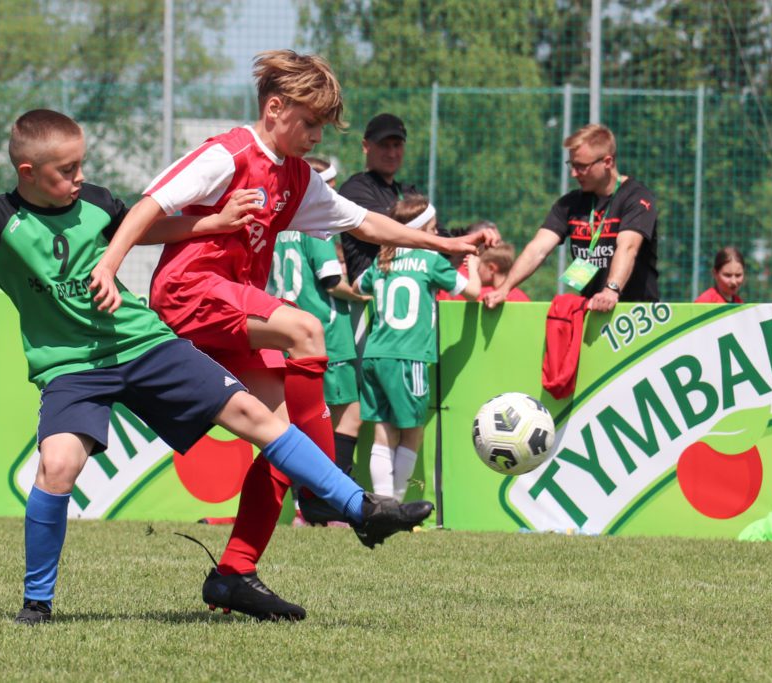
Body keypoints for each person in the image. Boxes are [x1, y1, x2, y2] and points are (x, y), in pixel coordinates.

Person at [0, 109, 435, 625]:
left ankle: (359, 508)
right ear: (28, 172)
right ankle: (36, 605)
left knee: (254, 416)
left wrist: (211, 222)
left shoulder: (95, 203)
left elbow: (147, 228)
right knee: (57, 466)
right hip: (72, 369)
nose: (80, 177)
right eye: (66, 169)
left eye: (81, 165)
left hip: (143, 345)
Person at [89, 52, 497, 619]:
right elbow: (148, 209)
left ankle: (235, 572)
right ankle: (330, 491)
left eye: (322, 127)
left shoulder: (297, 177)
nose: (315, 136)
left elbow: (363, 222)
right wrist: (109, 266)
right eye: (309, 123)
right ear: (275, 108)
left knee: (285, 444)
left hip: (231, 309)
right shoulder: (228, 154)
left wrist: (444, 244)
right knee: (306, 327)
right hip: (190, 292)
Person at [356, 196, 479, 500]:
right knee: (413, 432)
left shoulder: (382, 260)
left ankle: (382, 503)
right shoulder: (430, 260)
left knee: (383, 431)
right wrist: (473, 266)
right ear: (419, 230)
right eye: (432, 229)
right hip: (408, 356)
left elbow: (359, 286)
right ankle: (396, 503)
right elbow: (473, 292)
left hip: (375, 354)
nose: (436, 235)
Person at [268, 157, 369, 523]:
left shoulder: (276, 224)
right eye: (331, 186)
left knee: (297, 425)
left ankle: (302, 507)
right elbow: (331, 280)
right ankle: (334, 504)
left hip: (283, 332)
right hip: (324, 334)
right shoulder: (315, 224)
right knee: (348, 418)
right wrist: (365, 294)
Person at [484, 123, 659, 312]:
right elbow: (538, 249)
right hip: (591, 309)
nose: (574, 173)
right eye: (572, 165)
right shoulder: (570, 203)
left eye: (581, 166)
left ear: (607, 162)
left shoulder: (636, 198)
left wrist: (611, 290)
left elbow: (628, 247)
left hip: (635, 314)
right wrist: (505, 289)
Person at [337, 113, 418, 284]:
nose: (392, 153)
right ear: (366, 146)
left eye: (397, 145)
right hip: (370, 294)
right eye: (384, 145)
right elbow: (386, 226)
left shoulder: (408, 192)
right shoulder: (354, 190)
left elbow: (440, 233)